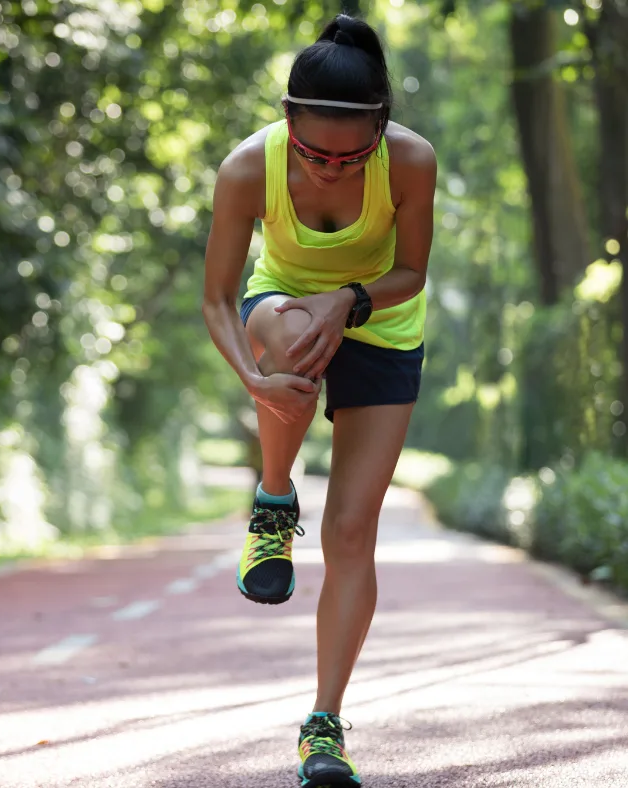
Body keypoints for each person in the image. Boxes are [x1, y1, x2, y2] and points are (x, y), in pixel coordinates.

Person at [201, 13, 436, 788]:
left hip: (384, 320)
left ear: (381, 128)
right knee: (294, 333)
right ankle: (273, 502)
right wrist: (253, 381)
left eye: (351, 154)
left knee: (351, 528)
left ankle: (324, 725)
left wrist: (353, 298)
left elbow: (412, 273)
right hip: (284, 307)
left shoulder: (411, 162)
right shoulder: (245, 169)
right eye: (312, 151)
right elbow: (216, 299)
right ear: (287, 118)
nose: (331, 169)